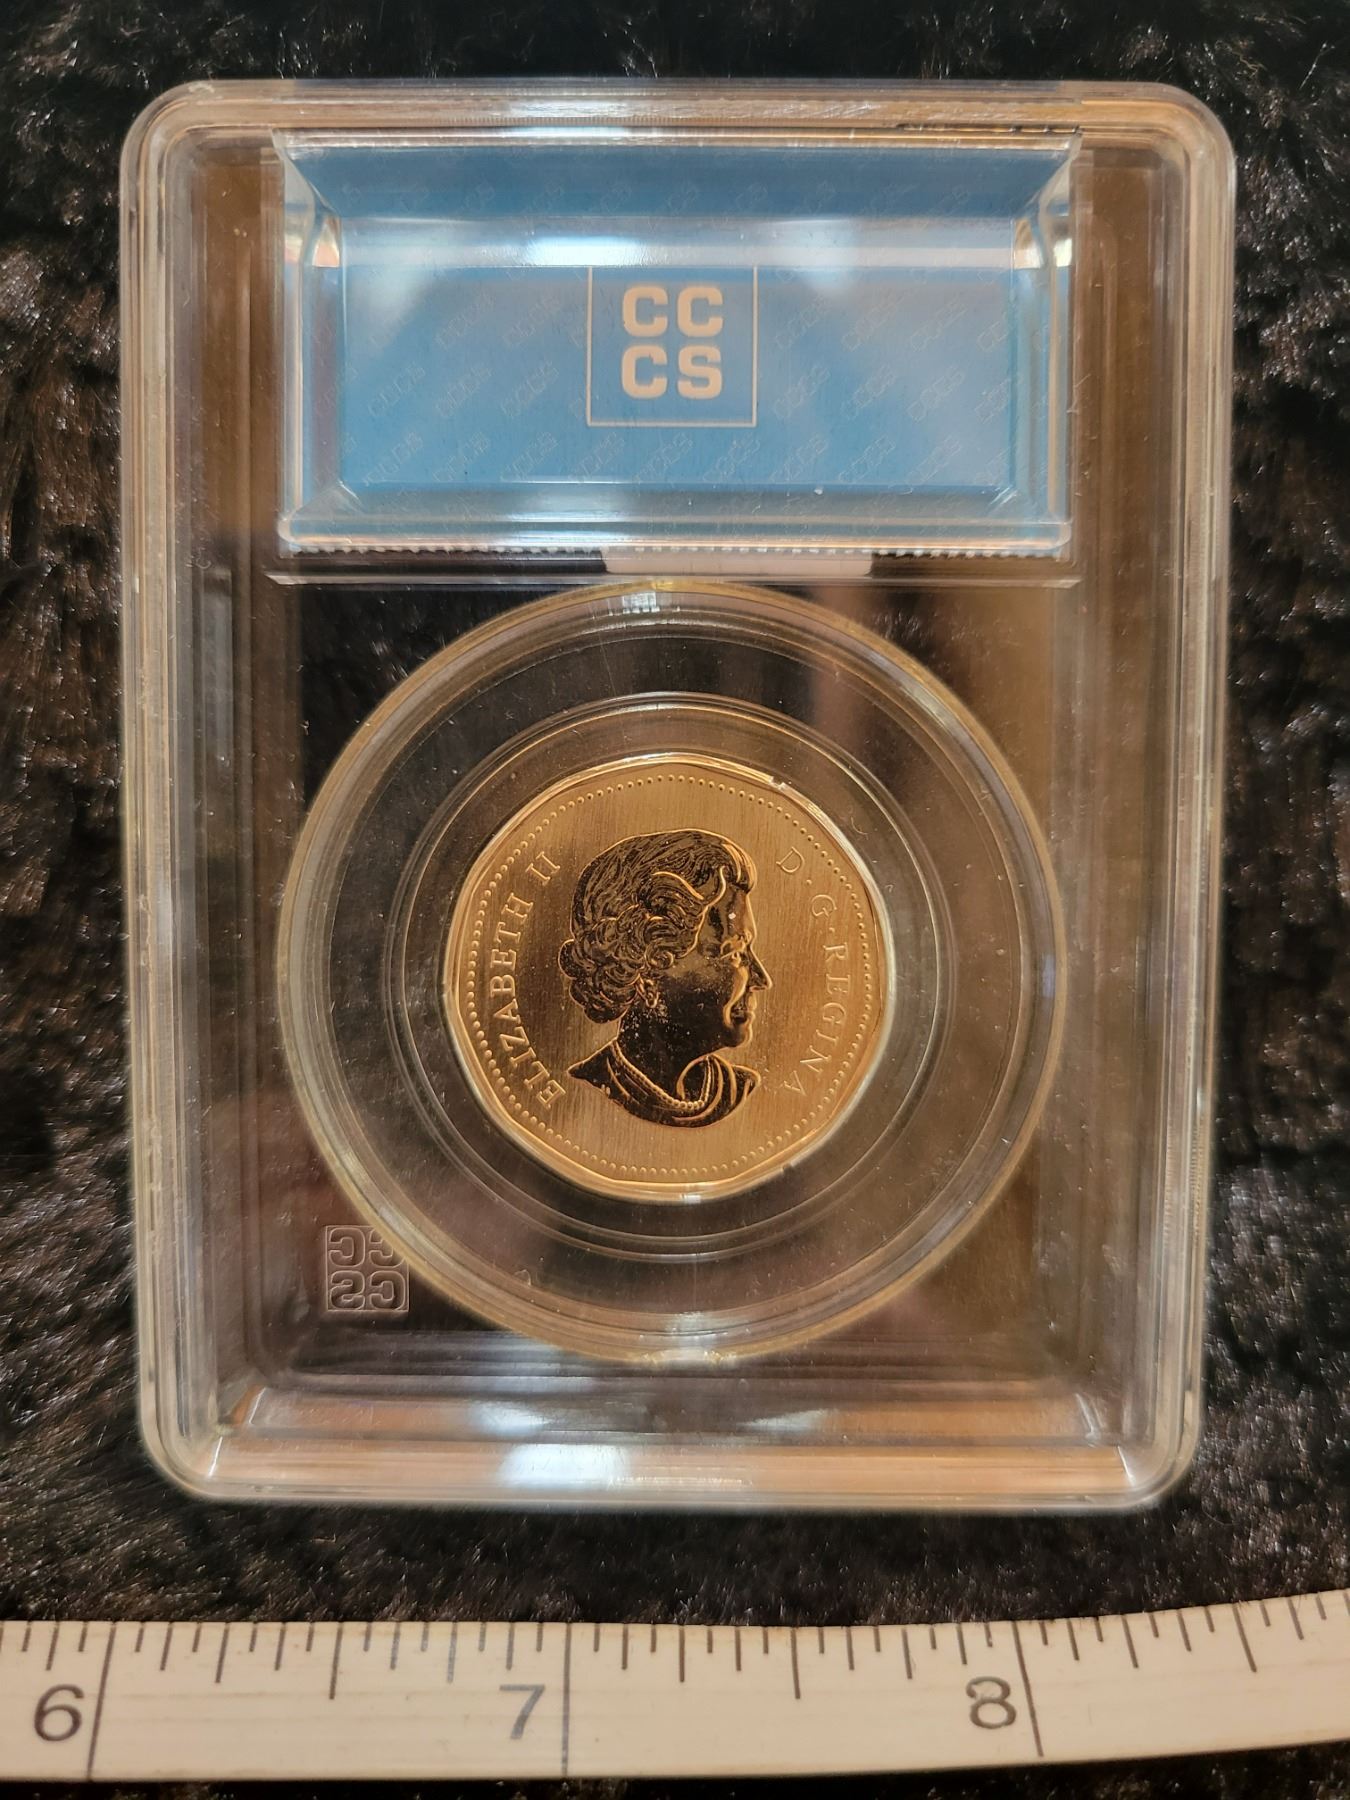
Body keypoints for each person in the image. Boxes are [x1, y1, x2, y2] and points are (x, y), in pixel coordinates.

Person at [558, 829, 770, 1127]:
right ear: (648, 974)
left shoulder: (740, 1091)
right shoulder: (586, 1091)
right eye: (733, 953)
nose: (761, 979)